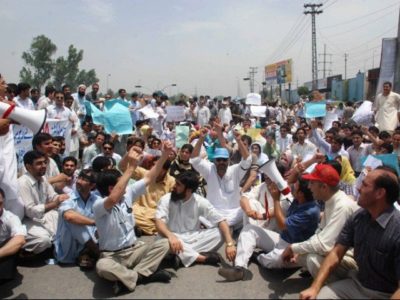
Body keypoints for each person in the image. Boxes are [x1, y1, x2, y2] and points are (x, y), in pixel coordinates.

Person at [300, 167, 400, 299]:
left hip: (385, 294)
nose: (358, 188)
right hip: (357, 283)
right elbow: (336, 253)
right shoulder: (359, 217)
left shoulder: (397, 229)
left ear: (380, 193)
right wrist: (314, 288)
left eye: (364, 185)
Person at [93, 142, 174, 295]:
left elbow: (149, 177)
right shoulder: (99, 205)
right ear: (111, 188)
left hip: (135, 249)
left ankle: (132, 277)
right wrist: (131, 167)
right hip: (112, 256)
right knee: (102, 267)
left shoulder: (127, 193)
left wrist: (164, 155)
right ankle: (143, 275)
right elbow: (113, 199)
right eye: (121, 183)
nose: (126, 186)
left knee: (165, 243)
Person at [218, 178, 320, 281]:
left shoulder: (309, 211)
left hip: (296, 250)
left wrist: (276, 199)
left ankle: (258, 257)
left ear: (301, 194)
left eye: (294, 187)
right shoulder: (299, 199)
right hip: (282, 239)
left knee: (275, 260)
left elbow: (282, 225)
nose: (291, 187)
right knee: (249, 229)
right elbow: (291, 178)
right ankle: (239, 268)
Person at [281, 164, 359, 279]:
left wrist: (293, 247)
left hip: (354, 259)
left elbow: (324, 244)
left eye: (312, 183)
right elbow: (320, 232)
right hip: (338, 251)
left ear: (324, 187)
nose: (309, 187)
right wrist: (298, 250)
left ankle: (333, 290)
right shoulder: (330, 200)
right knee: (302, 255)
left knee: (312, 259)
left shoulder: (342, 206)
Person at [155, 171, 236, 268]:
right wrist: (171, 236)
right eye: (176, 182)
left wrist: (230, 244)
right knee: (162, 240)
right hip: (171, 237)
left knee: (222, 233)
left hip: (192, 238)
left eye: (178, 184)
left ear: (189, 190)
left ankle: (180, 256)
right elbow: (159, 222)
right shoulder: (166, 199)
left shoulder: (200, 201)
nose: (174, 186)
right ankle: (202, 258)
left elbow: (221, 220)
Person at [191, 129, 252, 227]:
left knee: (249, 206)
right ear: (214, 160)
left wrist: (239, 140)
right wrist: (201, 139)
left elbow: (247, 160)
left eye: (224, 160)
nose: (221, 163)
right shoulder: (209, 169)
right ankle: (224, 227)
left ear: (228, 160)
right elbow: (194, 160)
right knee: (200, 212)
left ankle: (223, 226)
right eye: (219, 160)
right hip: (214, 212)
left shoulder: (235, 170)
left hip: (234, 213)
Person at [18, 151, 69, 255]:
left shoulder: (43, 179)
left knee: (65, 223)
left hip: (42, 217)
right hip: (26, 220)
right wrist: (55, 203)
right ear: (28, 167)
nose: (44, 166)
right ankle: (22, 253)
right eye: (39, 163)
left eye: (44, 163)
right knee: (43, 240)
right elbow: (31, 212)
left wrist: (64, 198)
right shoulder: (23, 183)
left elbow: (53, 196)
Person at [54, 169, 100, 269]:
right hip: (69, 245)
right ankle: (95, 252)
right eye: (79, 178)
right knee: (73, 220)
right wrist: (94, 223)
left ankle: (85, 255)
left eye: (84, 179)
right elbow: (69, 216)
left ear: (92, 185)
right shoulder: (68, 198)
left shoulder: (96, 199)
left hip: (92, 239)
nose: (79, 181)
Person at [0, 188, 26, 283]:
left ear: (3, 202)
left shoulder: (11, 218)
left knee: (14, 241)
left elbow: (20, 240)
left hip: (3, 255)